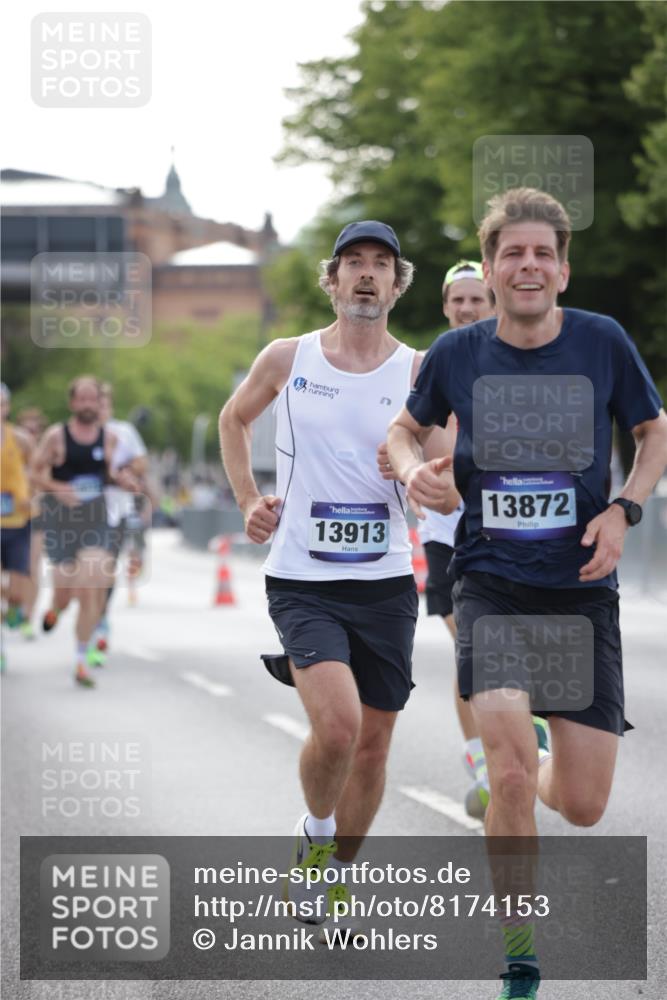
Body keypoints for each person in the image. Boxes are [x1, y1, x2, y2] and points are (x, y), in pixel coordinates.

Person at [387, 187, 667, 999]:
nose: (528, 265)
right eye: (513, 252)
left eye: (542, 252)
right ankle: (519, 954)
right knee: (506, 777)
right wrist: (417, 477)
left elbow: (652, 433)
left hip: (580, 588)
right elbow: (403, 432)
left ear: (563, 269)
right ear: (494, 264)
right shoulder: (457, 352)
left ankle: (539, 758)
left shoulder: (602, 342)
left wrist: (624, 509)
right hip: (491, 583)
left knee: (579, 805)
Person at [220, 221, 442, 929]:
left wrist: (416, 470)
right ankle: (316, 837)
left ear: (397, 283)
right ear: (333, 280)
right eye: (354, 263)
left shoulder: (417, 372)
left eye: (382, 263)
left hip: (382, 579)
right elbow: (233, 419)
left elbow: (449, 466)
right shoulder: (289, 358)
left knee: (374, 745)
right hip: (301, 575)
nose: (367, 274)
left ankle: (337, 872)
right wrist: (249, 501)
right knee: (340, 729)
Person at [420, 261, 496, 817]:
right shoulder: (436, 365)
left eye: (477, 299)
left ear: (492, 302)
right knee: (473, 646)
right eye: (458, 300)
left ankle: (503, 757)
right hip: (448, 531)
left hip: (505, 526)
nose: (467, 308)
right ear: (446, 306)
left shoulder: (519, 361)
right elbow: (437, 453)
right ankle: (485, 765)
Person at [32, 375, 136, 687]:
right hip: (62, 522)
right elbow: (35, 472)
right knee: (66, 593)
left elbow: (115, 472)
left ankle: (81, 658)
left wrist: (124, 480)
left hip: (96, 521)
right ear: (73, 403)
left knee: (90, 589)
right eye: (83, 399)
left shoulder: (110, 438)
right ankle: (54, 608)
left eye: (94, 399)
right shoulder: (56, 437)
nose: (89, 405)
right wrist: (58, 488)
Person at [1, 384, 35, 668]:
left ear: (7, 407)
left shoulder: (21, 440)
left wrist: (31, 498)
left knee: (17, 589)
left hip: (17, 522)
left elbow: (37, 471)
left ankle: (13, 606)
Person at [14, 406, 48, 639]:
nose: (30, 434)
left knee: (32, 568)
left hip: (36, 515)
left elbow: (47, 484)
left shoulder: (44, 454)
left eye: (34, 430)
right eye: (27, 429)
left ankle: (28, 616)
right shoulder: (11, 450)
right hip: (10, 516)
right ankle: (13, 604)